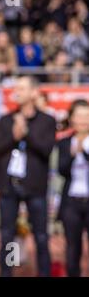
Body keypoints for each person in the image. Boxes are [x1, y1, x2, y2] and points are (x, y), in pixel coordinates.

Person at [0, 76, 56, 277]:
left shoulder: (47, 120)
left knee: (41, 236)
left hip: (35, 186)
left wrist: (26, 133)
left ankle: (44, 273)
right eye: (16, 87)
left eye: (21, 87)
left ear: (34, 92)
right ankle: (7, 273)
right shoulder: (5, 120)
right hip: (9, 186)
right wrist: (14, 136)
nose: (17, 91)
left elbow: (46, 149)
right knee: (7, 236)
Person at [57, 100, 89, 277]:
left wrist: (84, 153)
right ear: (72, 119)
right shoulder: (65, 143)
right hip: (72, 202)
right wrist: (72, 154)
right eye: (79, 116)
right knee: (72, 248)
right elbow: (62, 170)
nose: (83, 120)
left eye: (87, 116)